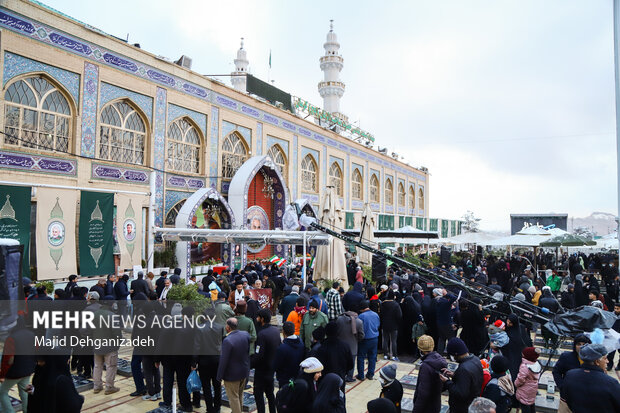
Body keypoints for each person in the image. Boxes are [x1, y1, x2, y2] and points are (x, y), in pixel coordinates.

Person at [561, 343, 620, 412]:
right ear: (597, 362)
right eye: (605, 358)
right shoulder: (611, 383)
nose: (607, 361)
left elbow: (568, 400)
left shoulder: (570, 375)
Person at [193, 306, 226, 413]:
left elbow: (196, 347)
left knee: (206, 386)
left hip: (204, 361)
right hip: (217, 359)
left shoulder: (200, 328)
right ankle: (217, 408)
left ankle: (209, 408)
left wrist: (194, 363)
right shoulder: (220, 327)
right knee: (217, 386)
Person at [0, 317, 35, 413]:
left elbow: (8, 359)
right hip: (28, 370)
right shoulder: (32, 334)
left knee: (2, 392)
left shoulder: (11, 338)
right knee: (25, 392)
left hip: (14, 372)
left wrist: (2, 375)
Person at [440, 337, 484, 413]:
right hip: (472, 403)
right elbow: (470, 380)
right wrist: (454, 375)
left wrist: (447, 381)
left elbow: (460, 393)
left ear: (456, 353)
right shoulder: (475, 359)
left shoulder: (463, 369)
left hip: (461, 408)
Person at [217, 318, 251, 413]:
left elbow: (223, 360)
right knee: (239, 395)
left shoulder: (228, 340)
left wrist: (219, 376)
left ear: (228, 327)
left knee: (233, 398)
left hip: (232, 375)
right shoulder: (245, 334)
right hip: (243, 371)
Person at [252, 309, 281, 413]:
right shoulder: (275, 331)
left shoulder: (262, 334)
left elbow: (259, 354)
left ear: (262, 319)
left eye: (258, 317)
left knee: (258, 394)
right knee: (270, 394)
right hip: (271, 369)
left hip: (262, 370)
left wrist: (250, 364)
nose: (257, 319)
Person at [92, 298, 122, 395]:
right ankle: (109, 387)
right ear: (112, 304)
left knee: (97, 366)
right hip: (110, 346)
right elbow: (116, 333)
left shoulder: (95, 314)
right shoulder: (112, 316)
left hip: (96, 344)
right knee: (111, 366)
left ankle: (97, 386)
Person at [314, 321, 353, 390]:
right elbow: (350, 365)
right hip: (340, 379)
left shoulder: (321, 347)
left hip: (324, 380)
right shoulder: (345, 346)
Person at [413, 335, 447, 413]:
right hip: (436, 404)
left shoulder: (425, 366)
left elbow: (423, 393)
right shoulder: (441, 361)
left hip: (426, 408)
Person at [274, 321, 305, 387]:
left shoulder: (282, 348)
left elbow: (276, 365)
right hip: (297, 376)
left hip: (284, 378)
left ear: (283, 331)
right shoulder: (301, 342)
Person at [336, 309, 364, 382]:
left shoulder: (339, 319)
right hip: (353, 346)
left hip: (341, 346)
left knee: (341, 362)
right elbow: (361, 335)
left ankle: (341, 376)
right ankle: (349, 377)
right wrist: (357, 339)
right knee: (352, 363)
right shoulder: (359, 322)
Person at [357, 300, 380, 380]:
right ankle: (370, 374)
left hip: (365, 339)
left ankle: (361, 375)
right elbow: (378, 325)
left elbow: (359, 328)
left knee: (361, 357)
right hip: (375, 338)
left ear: (362, 308)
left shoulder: (361, 316)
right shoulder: (375, 314)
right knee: (372, 357)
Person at [514, 347, 541, 413]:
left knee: (525, 406)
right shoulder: (536, 365)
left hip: (524, 391)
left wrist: (515, 383)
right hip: (532, 390)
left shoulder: (525, 366)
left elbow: (521, 379)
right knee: (531, 403)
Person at [381, 290, 402, 361]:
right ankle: (393, 355)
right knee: (393, 341)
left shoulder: (383, 304)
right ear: (394, 296)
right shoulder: (396, 305)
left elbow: (380, 314)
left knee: (385, 340)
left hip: (385, 324)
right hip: (394, 325)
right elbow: (399, 316)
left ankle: (385, 355)